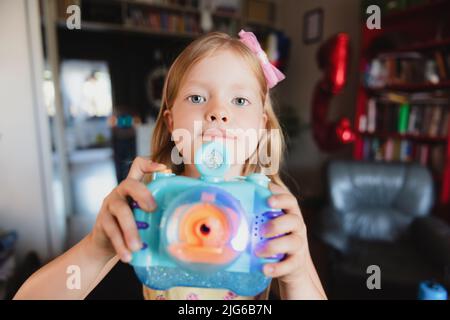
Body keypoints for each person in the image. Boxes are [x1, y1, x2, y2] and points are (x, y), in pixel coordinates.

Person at [14, 30, 326, 300]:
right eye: (197, 98)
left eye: (240, 100)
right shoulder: (150, 202)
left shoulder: (270, 210)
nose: (218, 112)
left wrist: (296, 274)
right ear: (171, 122)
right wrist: (98, 246)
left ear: (261, 127)